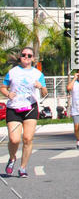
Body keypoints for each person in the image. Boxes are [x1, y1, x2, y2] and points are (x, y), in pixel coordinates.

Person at [2, 46, 48, 177]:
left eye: (29, 55)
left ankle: (23, 168)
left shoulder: (38, 74)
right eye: (24, 55)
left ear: (33, 58)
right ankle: (12, 158)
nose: (26, 57)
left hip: (30, 108)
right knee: (14, 139)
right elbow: (3, 87)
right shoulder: (13, 72)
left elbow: (45, 93)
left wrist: (41, 87)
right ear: (20, 57)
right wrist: (7, 93)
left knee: (27, 139)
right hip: (14, 108)